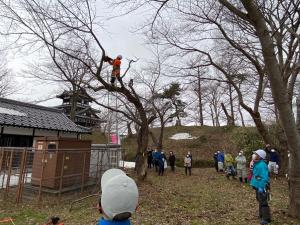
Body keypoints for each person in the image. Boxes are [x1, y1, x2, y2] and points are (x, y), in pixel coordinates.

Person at [251, 149, 271, 225]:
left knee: (263, 202)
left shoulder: (262, 165)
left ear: (259, 157)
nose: (254, 155)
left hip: (261, 186)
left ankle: (266, 219)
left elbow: (264, 177)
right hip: (257, 185)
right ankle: (261, 215)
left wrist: (262, 187)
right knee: (260, 200)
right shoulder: (257, 163)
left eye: (256, 154)